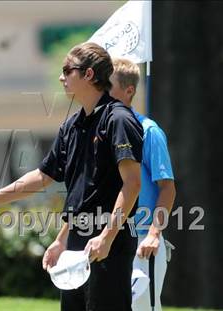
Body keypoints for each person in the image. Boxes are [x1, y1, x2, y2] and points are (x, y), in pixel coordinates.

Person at [0, 42, 143, 311]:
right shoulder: (71, 125)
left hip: (110, 240)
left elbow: (132, 184)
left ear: (88, 75)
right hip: (76, 241)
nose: (61, 77)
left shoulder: (119, 119)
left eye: (67, 70)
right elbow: (42, 177)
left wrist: (107, 237)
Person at [109, 58, 176, 311]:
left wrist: (153, 234)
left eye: (109, 86)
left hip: (143, 243)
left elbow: (167, 188)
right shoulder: (105, 132)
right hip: (112, 239)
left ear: (129, 90)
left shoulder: (149, 131)